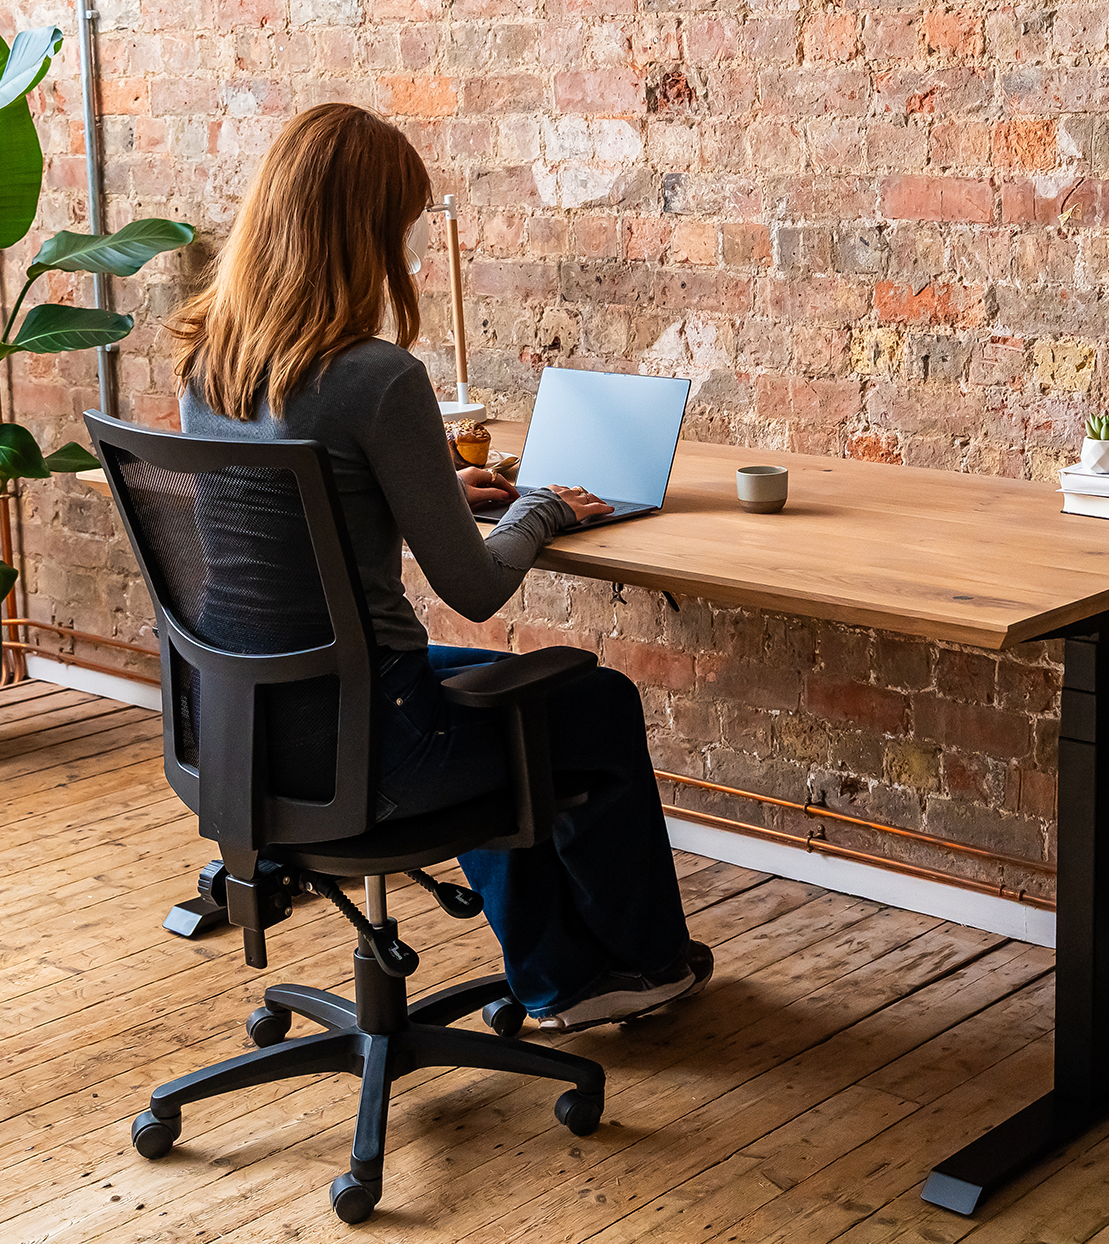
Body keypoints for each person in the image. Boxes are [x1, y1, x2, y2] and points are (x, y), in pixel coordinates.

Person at [168, 102, 710, 1032]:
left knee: (507, 700)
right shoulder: (372, 376)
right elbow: (477, 588)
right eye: (399, 228)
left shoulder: (210, 367)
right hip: (375, 740)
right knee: (593, 704)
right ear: (361, 233)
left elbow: (303, 510)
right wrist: (539, 505)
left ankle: (558, 977)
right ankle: (647, 965)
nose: (404, 250)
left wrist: (434, 489)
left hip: (242, 731)